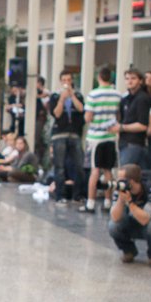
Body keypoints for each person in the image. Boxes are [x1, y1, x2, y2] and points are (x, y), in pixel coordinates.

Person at [108, 163, 151, 268]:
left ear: (131, 181)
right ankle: (128, 250)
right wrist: (121, 199)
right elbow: (115, 217)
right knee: (112, 225)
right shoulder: (119, 191)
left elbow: (145, 219)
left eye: (121, 179)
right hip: (130, 223)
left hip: (148, 226)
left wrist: (130, 202)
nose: (118, 182)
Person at [81, 65, 120, 215]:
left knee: (95, 170)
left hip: (95, 137)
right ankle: (108, 201)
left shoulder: (93, 95)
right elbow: (118, 116)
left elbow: (88, 117)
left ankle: (90, 203)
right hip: (110, 137)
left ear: (99, 77)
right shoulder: (117, 95)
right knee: (108, 170)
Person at [47, 69, 84, 203]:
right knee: (60, 166)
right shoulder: (55, 97)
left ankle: (77, 195)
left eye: (69, 80)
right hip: (59, 134)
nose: (67, 83)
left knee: (79, 165)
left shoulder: (78, 95)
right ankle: (60, 195)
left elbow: (81, 109)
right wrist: (62, 99)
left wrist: (72, 96)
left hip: (74, 133)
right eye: (64, 80)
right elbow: (56, 114)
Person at [118, 68, 151, 169]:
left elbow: (142, 125)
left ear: (140, 81)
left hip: (134, 143)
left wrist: (121, 127)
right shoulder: (125, 99)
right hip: (124, 141)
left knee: (125, 174)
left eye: (133, 78)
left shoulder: (142, 98)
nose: (129, 81)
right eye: (127, 78)